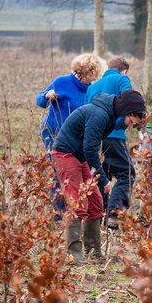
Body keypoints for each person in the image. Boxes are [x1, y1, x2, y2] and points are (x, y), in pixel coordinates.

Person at [51, 90, 147, 264]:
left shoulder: (109, 116)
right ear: (127, 111)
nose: (130, 125)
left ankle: (94, 250)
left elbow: (89, 150)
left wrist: (100, 178)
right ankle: (74, 253)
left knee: (96, 201)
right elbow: (90, 149)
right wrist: (103, 179)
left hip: (80, 156)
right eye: (132, 121)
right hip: (65, 153)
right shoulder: (100, 115)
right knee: (77, 200)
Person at [36, 53, 104, 213]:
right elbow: (39, 100)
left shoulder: (91, 91)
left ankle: (71, 208)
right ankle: (59, 213)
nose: (92, 79)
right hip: (52, 131)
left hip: (73, 138)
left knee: (73, 171)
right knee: (59, 170)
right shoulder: (61, 82)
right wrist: (47, 95)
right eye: (90, 76)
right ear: (83, 73)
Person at [85, 57, 135, 229]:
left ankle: (100, 215)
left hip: (95, 137)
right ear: (124, 71)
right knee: (126, 174)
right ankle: (114, 213)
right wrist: (127, 121)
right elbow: (129, 99)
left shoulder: (93, 86)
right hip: (114, 135)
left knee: (101, 176)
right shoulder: (122, 79)